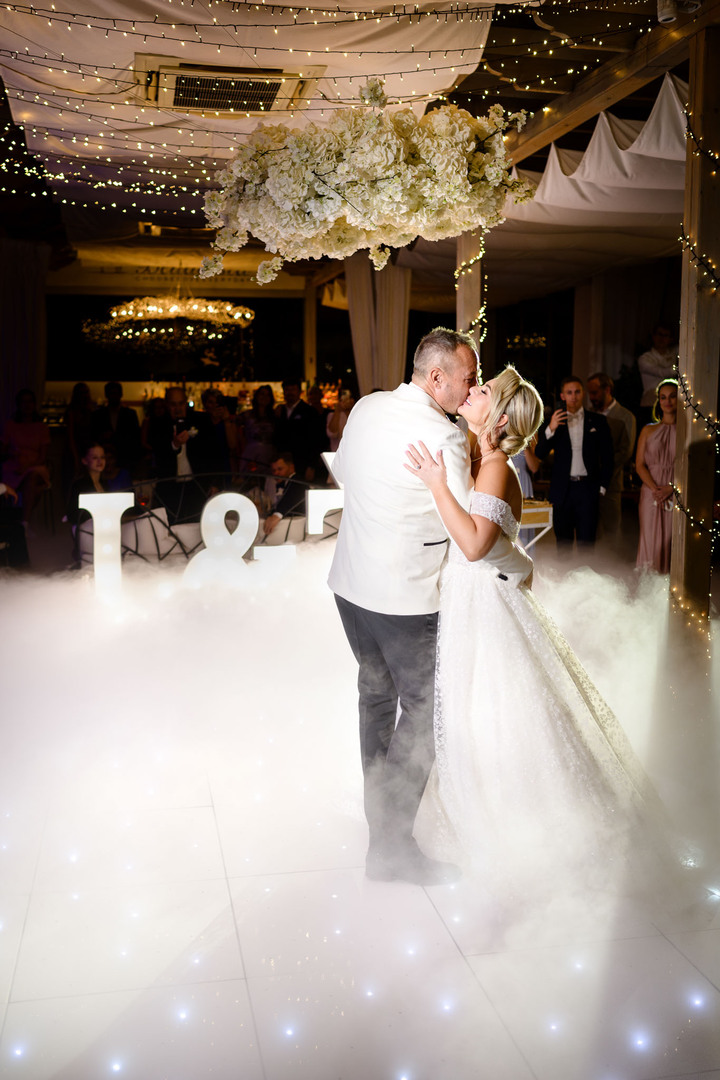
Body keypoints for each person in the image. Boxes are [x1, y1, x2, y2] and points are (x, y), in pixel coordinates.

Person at [406, 367, 678, 894]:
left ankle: (512, 818)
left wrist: (436, 484)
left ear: (500, 416)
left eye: (481, 391)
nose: (471, 392)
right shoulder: (488, 459)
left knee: (491, 709)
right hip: (478, 597)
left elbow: (473, 545)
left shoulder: (495, 467)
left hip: (483, 602)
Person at [328, 326, 476, 886]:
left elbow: (342, 472)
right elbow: (466, 524)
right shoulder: (447, 438)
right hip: (405, 598)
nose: (471, 389)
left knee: (374, 699)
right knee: (425, 712)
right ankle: (391, 847)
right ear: (436, 377)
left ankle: (380, 831)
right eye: (466, 379)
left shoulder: (366, 406)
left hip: (350, 586)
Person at [535, 374, 614, 549]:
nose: (573, 396)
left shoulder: (598, 421)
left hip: (588, 489)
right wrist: (551, 428)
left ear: (583, 393)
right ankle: (564, 577)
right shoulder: (553, 422)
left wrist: (601, 487)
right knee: (563, 544)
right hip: (562, 490)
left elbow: (609, 457)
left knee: (587, 543)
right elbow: (539, 453)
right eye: (569, 392)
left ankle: (585, 577)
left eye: (577, 392)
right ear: (562, 396)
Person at [587, 371, 637, 540]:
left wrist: (603, 469)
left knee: (611, 530)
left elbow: (626, 452)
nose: (591, 397)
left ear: (607, 390)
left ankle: (612, 564)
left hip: (612, 483)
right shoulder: (589, 415)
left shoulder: (625, 417)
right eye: (589, 393)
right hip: (588, 483)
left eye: (594, 393)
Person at [635, 379, 678, 573]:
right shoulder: (648, 430)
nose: (668, 401)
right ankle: (647, 592)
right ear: (658, 401)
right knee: (650, 543)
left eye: (672, 397)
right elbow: (639, 465)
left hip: (677, 493)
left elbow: (693, 467)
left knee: (672, 543)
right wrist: (655, 489)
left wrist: (672, 488)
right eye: (663, 397)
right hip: (651, 494)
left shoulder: (688, 432)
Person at [0, 388, 51, 526]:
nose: (27, 405)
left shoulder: (41, 427)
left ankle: (24, 523)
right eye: (23, 402)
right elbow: (3, 451)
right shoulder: (10, 425)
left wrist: (26, 467)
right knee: (29, 486)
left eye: (30, 402)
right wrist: (12, 453)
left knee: (32, 477)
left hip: (35, 465)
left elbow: (43, 456)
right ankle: (11, 519)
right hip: (14, 465)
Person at [90, 381, 141, 472]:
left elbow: (136, 437)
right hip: (104, 459)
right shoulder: (98, 415)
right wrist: (102, 437)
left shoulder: (130, 414)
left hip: (125, 458)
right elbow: (93, 436)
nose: (114, 396)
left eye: (116, 393)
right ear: (107, 395)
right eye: (111, 393)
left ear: (121, 394)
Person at [262, 452, 306, 537]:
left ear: (291, 468)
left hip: (297, 526)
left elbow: (292, 496)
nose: (276, 473)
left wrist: (277, 515)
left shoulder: (297, 481)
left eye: (280, 469)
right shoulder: (282, 483)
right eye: (274, 470)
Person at [236, 385, 277, 473]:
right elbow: (233, 423)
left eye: (267, 395)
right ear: (257, 396)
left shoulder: (275, 415)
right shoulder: (247, 415)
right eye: (262, 394)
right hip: (251, 452)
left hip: (270, 454)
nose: (264, 397)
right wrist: (242, 440)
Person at [638, 324, 677, 413]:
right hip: (651, 401)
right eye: (659, 334)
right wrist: (680, 369)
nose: (662, 339)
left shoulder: (674, 354)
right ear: (654, 336)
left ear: (670, 339)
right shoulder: (645, 358)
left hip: (670, 402)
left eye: (665, 335)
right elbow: (661, 372)